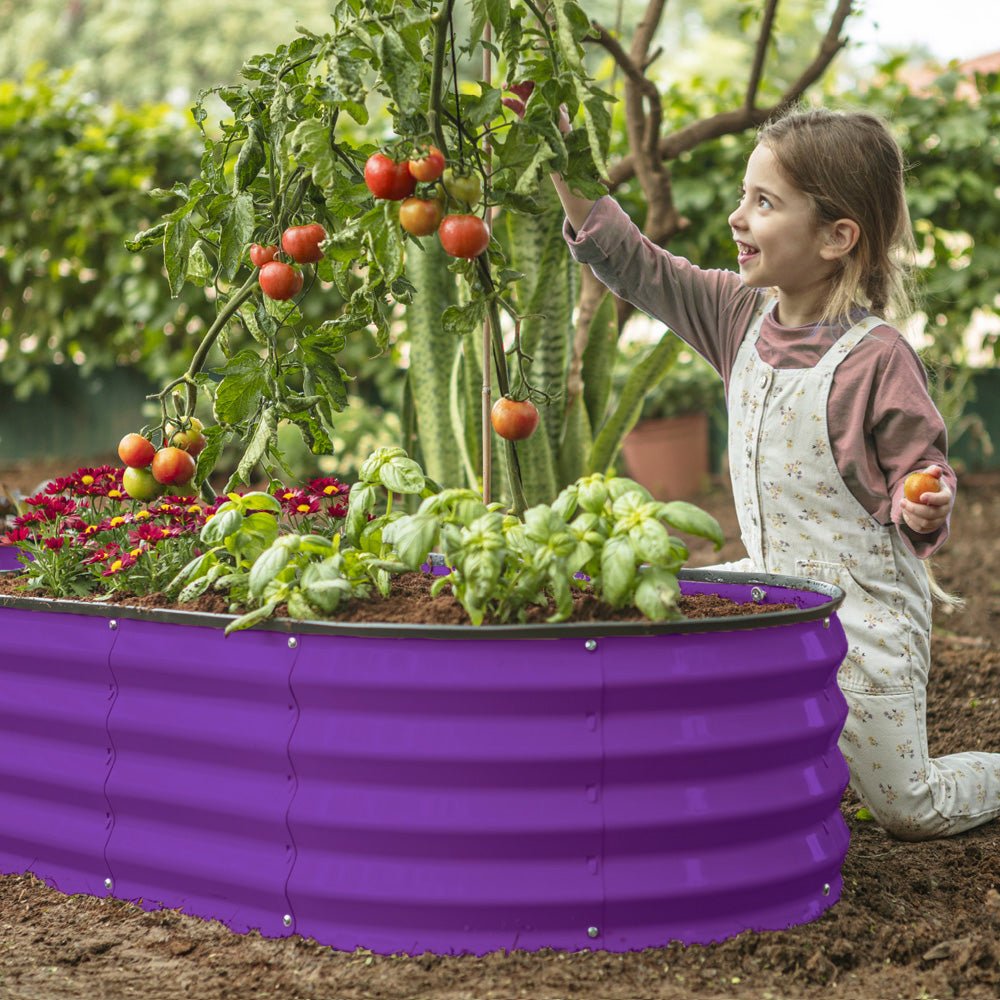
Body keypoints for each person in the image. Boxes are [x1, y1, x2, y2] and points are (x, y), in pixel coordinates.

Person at [551, 105, 1000, 841]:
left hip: (863, 619)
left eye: (764, 202)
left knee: (907, 808)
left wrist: (924, 501)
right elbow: (631, 261)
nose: (737, 217)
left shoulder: (877, 359)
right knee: (652, 612)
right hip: (772, 589)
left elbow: (921, 470)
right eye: (743, 195)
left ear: (835, 237)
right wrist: (561, 147)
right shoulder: (738, 315)